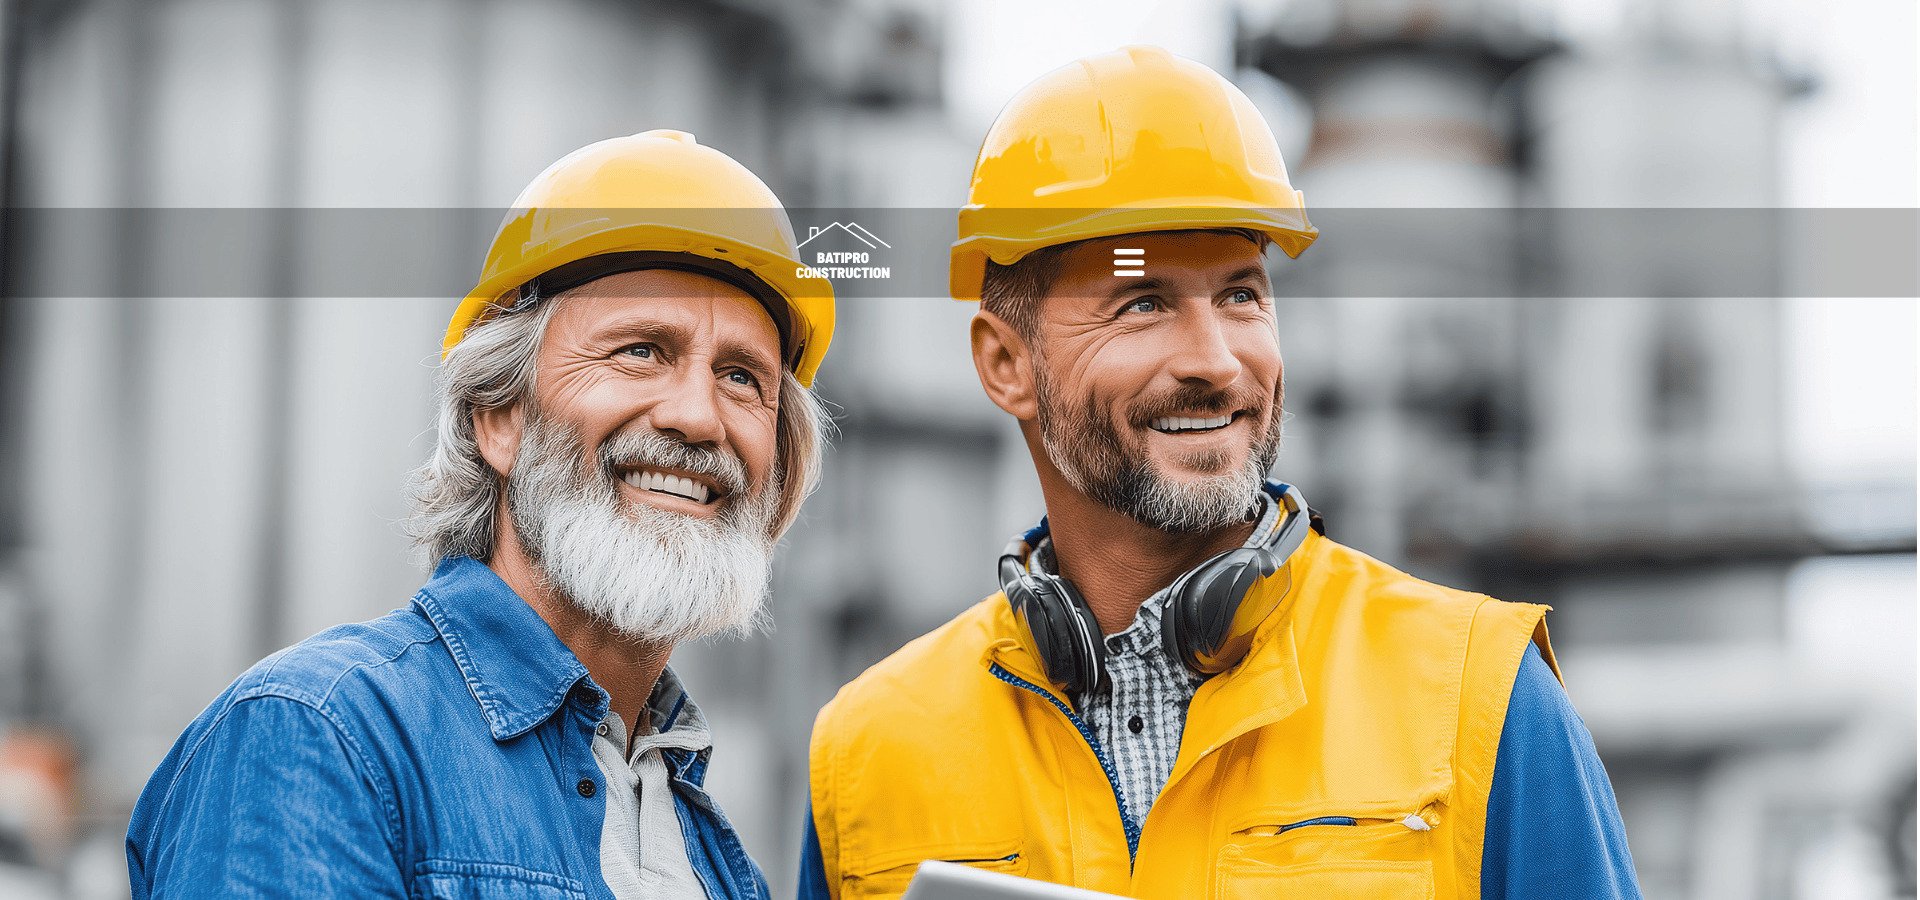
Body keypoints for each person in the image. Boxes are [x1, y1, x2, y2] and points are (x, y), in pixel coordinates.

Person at [800, 47, 1639, 898]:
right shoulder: (869, 758)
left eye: (1242, 295)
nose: (1216, 362)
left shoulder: (1482, 701)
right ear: (1006, 363)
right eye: (1143, 302)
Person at [127, 129, 834, 899]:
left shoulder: (719, 864)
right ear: (498, 418)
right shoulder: (318, 737)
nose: (699, 416)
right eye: (640, 351)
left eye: (741, 377)